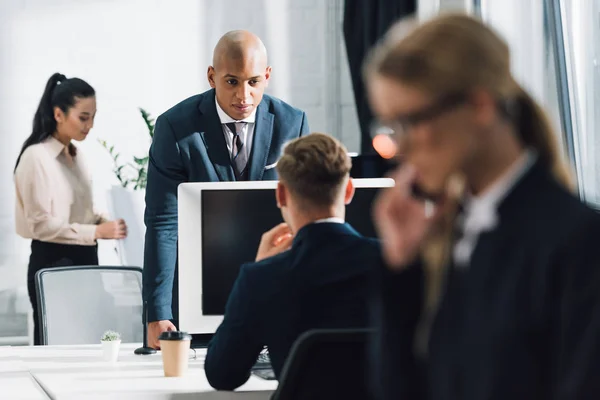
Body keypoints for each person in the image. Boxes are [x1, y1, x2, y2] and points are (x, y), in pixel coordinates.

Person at [365, 13, 600, 400]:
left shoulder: (577, 244)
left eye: (410, 122)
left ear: (479, 106)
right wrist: (400, 270)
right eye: (389, 128)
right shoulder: (457, 234)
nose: (399, 148)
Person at [143, 30, 310, 348]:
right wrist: (157, 312)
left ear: (267, 77)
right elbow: (164, 223)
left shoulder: (293, 124)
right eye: (232, 81)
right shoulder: (176, 128)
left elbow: (305, 216)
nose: (243, 97)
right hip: (196, 295)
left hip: (273, 289)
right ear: (212, 76)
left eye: (254, 82)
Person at [203, 133, 393, 391]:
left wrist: (258, 271)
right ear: (349, 190)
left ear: (280, 194)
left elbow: (222, 375)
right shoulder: (397, 266)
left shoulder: (262, 279)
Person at [14, 73, 128, 345]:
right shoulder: (36, 157)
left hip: (86, 260)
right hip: (54, 262)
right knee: (56, 347)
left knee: (87, 342)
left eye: (93, 117)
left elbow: (82, 209)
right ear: (58, 114)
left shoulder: (77, 156)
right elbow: (41, 225)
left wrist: (106, 220)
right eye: (83, 117)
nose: (90, 125)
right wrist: (97, 230)